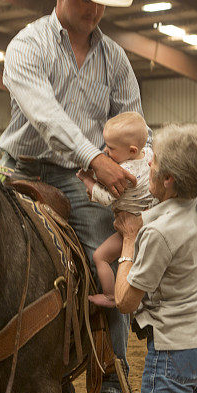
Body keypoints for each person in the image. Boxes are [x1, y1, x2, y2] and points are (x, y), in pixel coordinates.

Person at [0, 0, 142, 393]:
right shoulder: (28, 45)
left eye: (101, 1)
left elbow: (133, 122)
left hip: (80, 177)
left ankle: (108, 370)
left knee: (108, 251)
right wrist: (95, 158)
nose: (95, 9)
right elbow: (44, 115)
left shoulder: (116, 60)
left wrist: (136, 171)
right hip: (21, 166)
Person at [113, 123, 197, 393]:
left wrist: (129, 242)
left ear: (169, 179)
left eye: (154, 162)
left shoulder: (159, 236)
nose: (148, 164)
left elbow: (125, 301)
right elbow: (162, 212)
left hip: (173, 353)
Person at [76, 112, 155, 308]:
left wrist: (88, 180)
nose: (105, 151)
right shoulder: (149, 155)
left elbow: (105, 197)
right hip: (149, 221)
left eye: (111, 148)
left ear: (131, 150)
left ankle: (111, 295)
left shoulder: (124, 173)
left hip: (130, 228)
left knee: (100, 256)